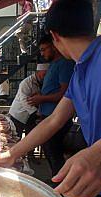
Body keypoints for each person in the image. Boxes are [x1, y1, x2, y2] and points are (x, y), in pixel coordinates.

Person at [0, 1, 101, 197]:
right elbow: (54, 121)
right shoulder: (80, 70)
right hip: (95, 184)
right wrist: (12, 154)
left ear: (55, 35)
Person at [27, 34, 74, 177]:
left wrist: (41, 99)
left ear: (54, 46)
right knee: (49, 151)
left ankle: (59, 186)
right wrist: (40, 96)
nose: (42, 53)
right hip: (49, 116)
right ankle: (55, 180)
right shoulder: (53, 64)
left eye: (43, 49)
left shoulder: (65, 64)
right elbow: (51, 89)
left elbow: (64, 94)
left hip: (57, 118)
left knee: (54, 153)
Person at [9, 63, 49, 138]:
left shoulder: (44, 83)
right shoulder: (26, 83)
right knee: (16, 138)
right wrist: (38, 113)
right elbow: (25, 101)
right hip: (18, 115)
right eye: (44, 74)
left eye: (47, 75)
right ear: (37, 72)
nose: (45, 77)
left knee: (31, 138)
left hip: (31, 117)